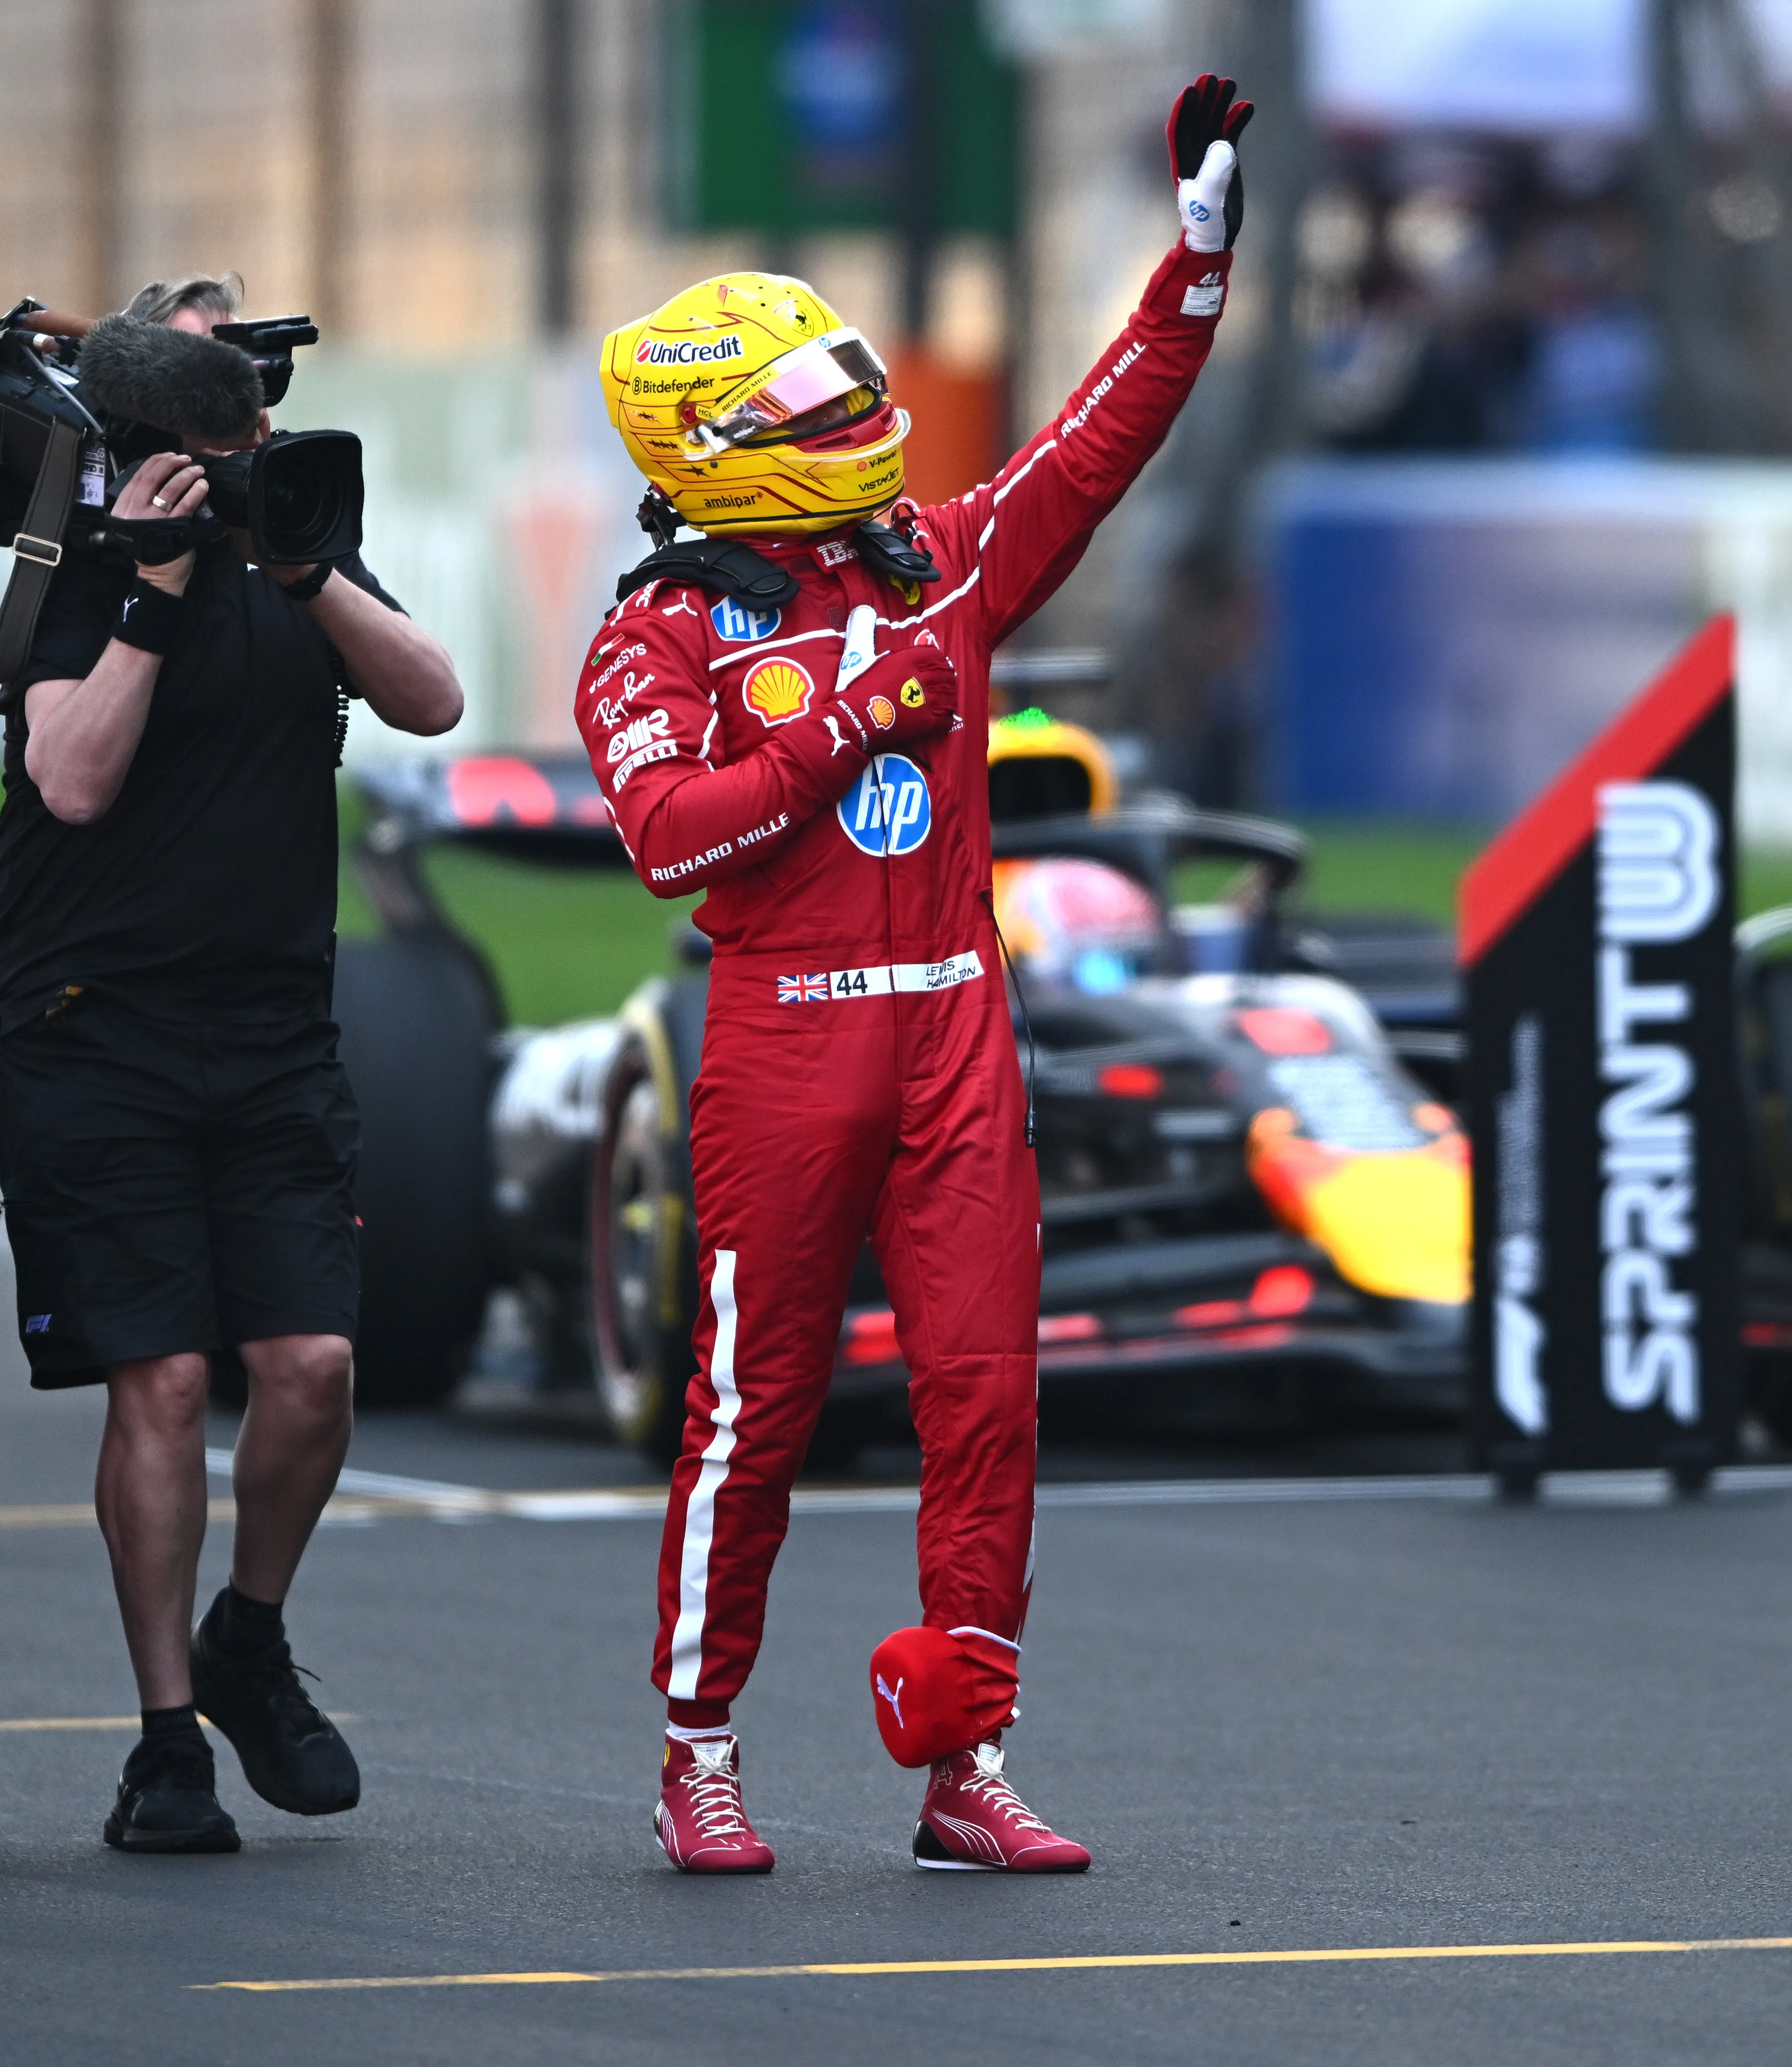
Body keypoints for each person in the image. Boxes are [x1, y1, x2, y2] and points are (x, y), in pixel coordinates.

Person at [571, 75, 1255, 1874]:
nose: (858, 419)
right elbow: (673, 839)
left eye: (847, 383)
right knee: (753, 1410)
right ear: (702, 445)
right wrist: (848, 723)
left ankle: (968, 1755)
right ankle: (697, 1745)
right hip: (781, 1041)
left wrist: (1193, 261)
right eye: (810, 406)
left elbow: (1093, 448)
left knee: (988, 1397)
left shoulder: (943, 565)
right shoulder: (655, 636)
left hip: (959, 1021)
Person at [0, 271, 465, 1853]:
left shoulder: (297, 532)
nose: (243, 431)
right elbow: (70, 777)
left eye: (251, 405)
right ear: (139, 428)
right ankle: (164, 1735)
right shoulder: (71, 555)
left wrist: (300, 566)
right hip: (89, 1030)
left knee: (311, 1369)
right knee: (167, 1379)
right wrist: (159, 588)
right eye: (213, 406)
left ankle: (250, 1634)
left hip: (269, 1031)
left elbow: (433, 696)